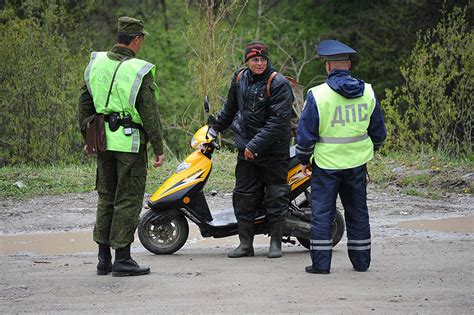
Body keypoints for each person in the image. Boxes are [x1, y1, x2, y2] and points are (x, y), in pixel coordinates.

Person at [78, 16, 165, 277]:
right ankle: (123, 259)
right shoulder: (138, 69)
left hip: (102, 143)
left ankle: (103, 259)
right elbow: (149, 112)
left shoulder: (96, 63)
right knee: (127, 199)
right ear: (136, 40)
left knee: (106, 197)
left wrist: (88, 137)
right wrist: (159, 147)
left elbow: (84, 104)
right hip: (129, 143)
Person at [296, 39, 386, 274]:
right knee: (357, 212)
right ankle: (361, 262)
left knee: (323, 215)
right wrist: (370, 149)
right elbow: (378, 131)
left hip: (326, 165)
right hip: (357, 164)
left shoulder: (318, 95)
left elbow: (306, 134)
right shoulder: (368, 91)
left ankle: (321, 265)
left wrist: (304, 159)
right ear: (349, 65)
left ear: (328, 67)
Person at [209, 41, 294, 258]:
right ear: (247, 61)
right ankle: (245, 244)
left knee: (276, 196)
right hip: (246, 149)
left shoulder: (278, 83)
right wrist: (214, 127)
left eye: (263, 59)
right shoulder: (239, 78)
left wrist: (255, 145)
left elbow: (278, 121)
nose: (259, 63)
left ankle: (276, 243)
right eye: (255, 59)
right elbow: (230, 108)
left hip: (274, 151)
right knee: (243, 196)